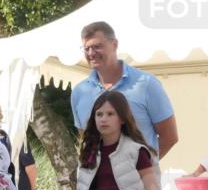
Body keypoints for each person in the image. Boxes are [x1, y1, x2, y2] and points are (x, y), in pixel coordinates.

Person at [71, 21, 178, 160]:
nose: (91, 53)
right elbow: (86, 140)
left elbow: (170, 137)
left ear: (114, 44)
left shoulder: (146, 84)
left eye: (97, 46)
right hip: (99, 179)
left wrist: (146, 168)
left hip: (140, 180)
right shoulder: (79, 92)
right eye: (86, 48)